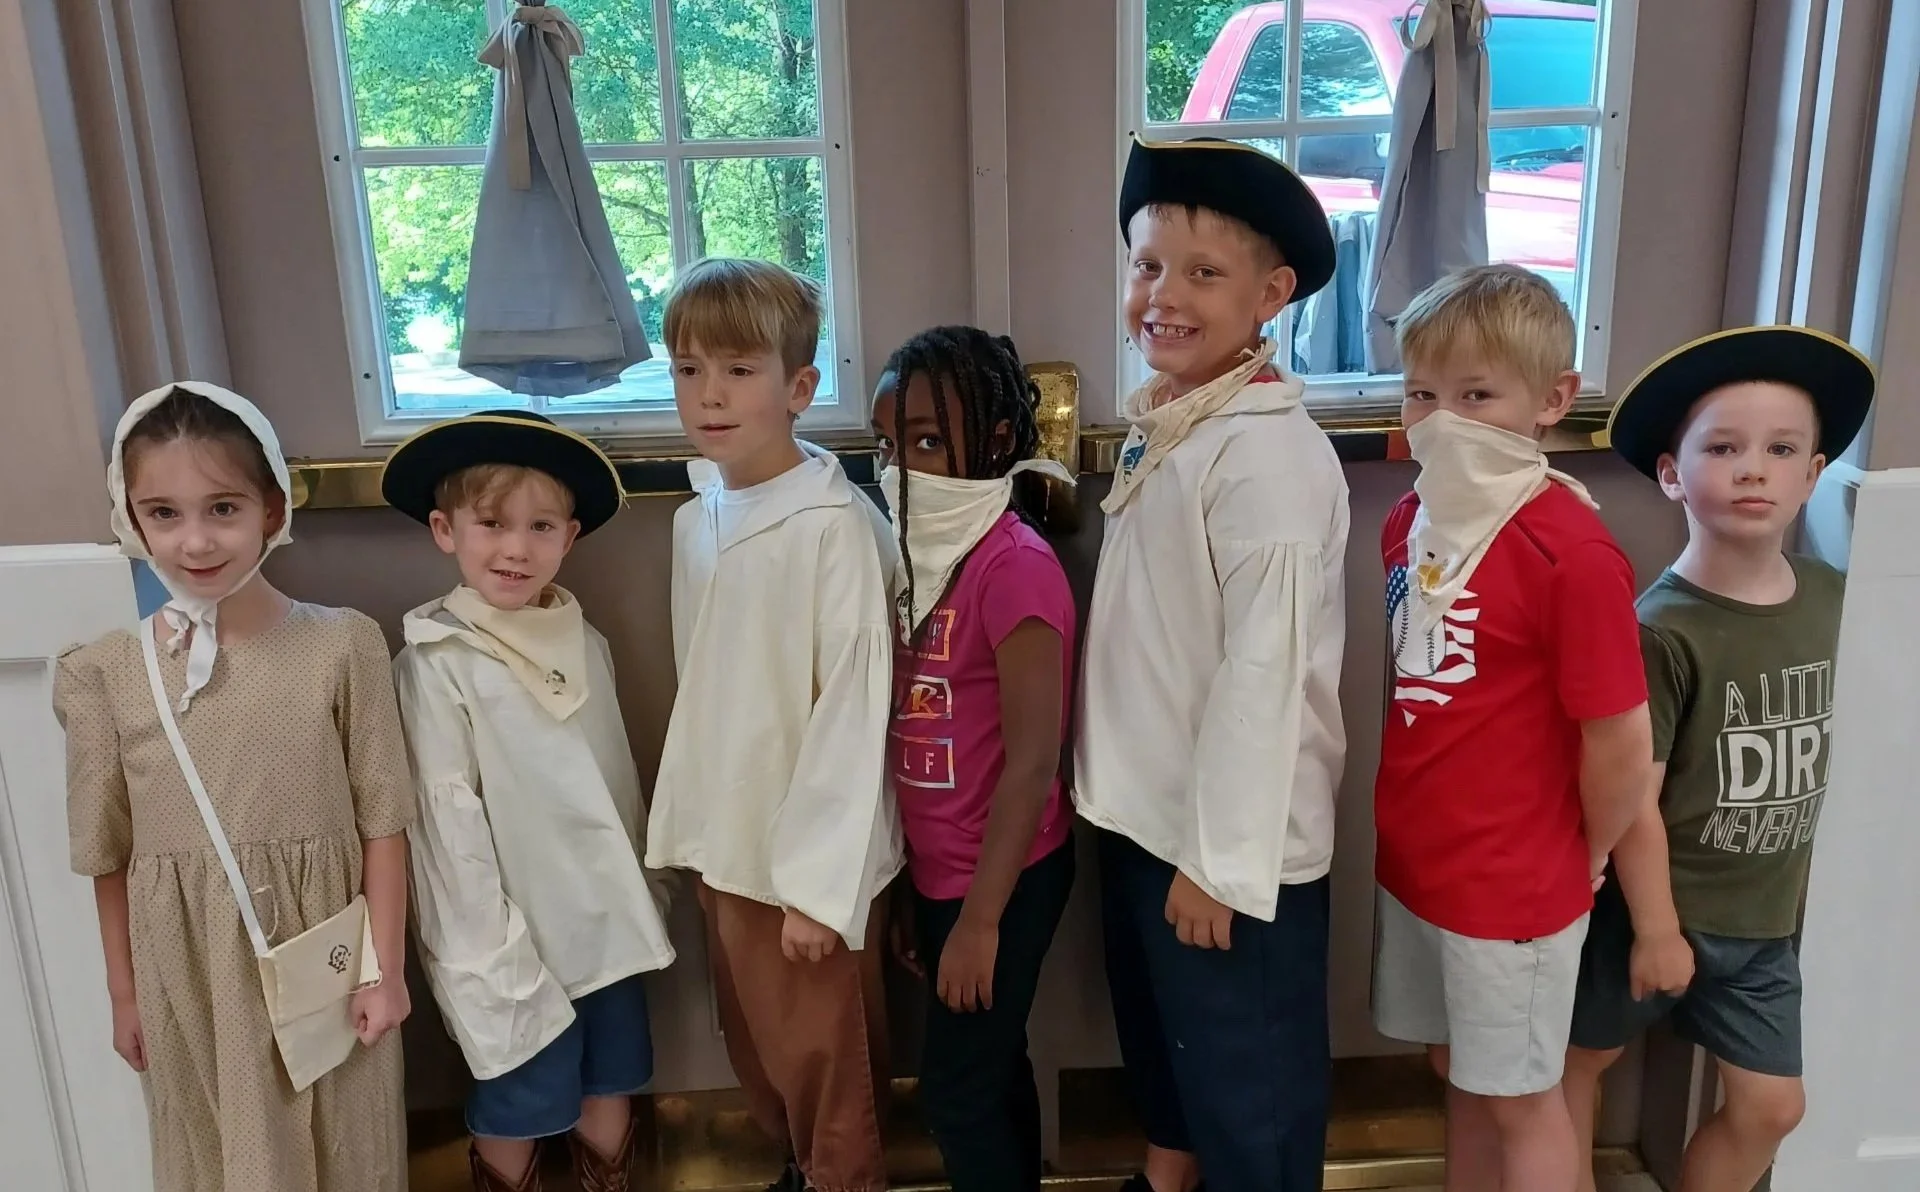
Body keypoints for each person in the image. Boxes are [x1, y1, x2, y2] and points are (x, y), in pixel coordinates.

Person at [54, 382, 413, 1191]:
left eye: (222, 508)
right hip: (193, 978)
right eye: (164, 513)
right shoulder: (103, 675)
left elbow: (383, 823)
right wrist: (124, 997)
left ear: (272, 512)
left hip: (323, 960)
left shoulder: (341, 647)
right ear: (132, 521)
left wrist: (383, 971)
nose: (195, 540)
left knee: (348, 1150)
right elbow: (107, 856)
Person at [1075, 136, 1349, 1192]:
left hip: (1227, 851)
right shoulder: (1180, 425)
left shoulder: (1267, 455)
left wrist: (1219, 862)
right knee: (1175, 1066)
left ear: (1271, 295)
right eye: (1148, 266)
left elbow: (1262, 673)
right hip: (1151, 813)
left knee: (1252, 1099)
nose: (1163, 296)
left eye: (1203, 272)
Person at [1563, 327, 1874, 1192]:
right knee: (1577, 1068)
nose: (1753, 470)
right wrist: (1658, 928)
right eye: (1724, 448)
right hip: (1651, 911)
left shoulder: (1833, 598)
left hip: (1764, 923)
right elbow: (1632, 798)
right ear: (1672, 473)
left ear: (1813, 475)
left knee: (1774, 1106)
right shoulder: (1660, 628)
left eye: (1781, 451)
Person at [1371, 264, 1655, 1192]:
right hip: (1421, 864)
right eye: (1423, 393)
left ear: (1552, 400)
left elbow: (1619, 741)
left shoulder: (1571, 553)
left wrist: (1588, 855)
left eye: (1476, 394)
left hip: (1516, 882)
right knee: (1458, 1072)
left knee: (1524, 1098)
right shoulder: (1409, 522)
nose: (1442, 418)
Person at [646, 257, 902, 1192]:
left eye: (739, 370)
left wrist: (815, 889)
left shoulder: (832, 529)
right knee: (760, 1051)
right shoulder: (698, 515)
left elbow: (852, 716)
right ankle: (799, 1168)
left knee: (831, 1070)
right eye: (687, 370)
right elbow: (707, 686)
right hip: (729, 842)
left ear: (798, 387)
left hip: (803, 863)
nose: (709, 395)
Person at [382, 411, 677, 1192]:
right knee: (519, 1097)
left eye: (540, 526)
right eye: (492, 524)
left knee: (609, 1081)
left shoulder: (585, 643)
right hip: (513, 935)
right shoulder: (434, 663)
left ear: (568, 537)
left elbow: (618, 783)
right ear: (447, 531)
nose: (516, 548)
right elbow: (446, 826)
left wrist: (647, 888)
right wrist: (488, 949)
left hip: (605, 918)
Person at [869, 326, 1078, 1192]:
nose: (897, 467)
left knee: (955, 1093)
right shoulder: (914, 558)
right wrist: (928, 899)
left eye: (922, 441)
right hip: (945, 875)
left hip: (1009, 879)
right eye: (886, 445)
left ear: (993, 442)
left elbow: (1033, 763)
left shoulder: (1015, 566)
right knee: (989, 1071)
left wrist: (981, 922)